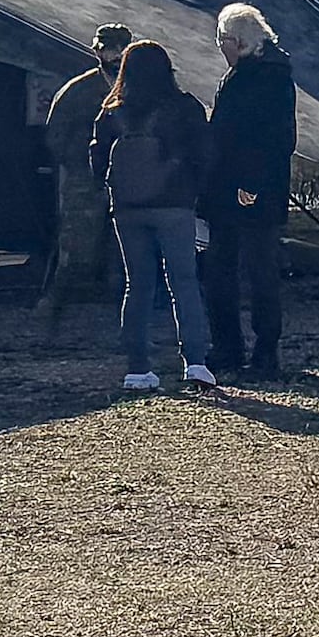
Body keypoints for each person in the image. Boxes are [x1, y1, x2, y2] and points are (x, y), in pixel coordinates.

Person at [92, 38, 222, 396]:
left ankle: (138, 369)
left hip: (128, 210)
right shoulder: (184, 107)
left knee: (138, 285)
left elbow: (96, 160)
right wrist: (193, 193)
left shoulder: (111, 111)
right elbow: (205, 155)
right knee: (184, 282)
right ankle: (195, 362)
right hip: (174, 205)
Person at [205, 2, 302, 383]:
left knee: (255, 272)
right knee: (227, 271)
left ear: (236, 42)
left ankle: (260, 350)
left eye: (222, 42)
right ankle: (234, 348)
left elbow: (274, 138)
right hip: (237, 190)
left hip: (248, 191)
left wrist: (251, 184)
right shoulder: (260, 73)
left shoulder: (264, 78)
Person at [39, 24, 131, 335]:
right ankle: (55, 308)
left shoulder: (139, 88)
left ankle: (120, 314)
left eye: (118, 48)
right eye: (107, 48)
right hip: (85, 180)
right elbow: (56, 136)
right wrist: (80, 164)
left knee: (125, 250)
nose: (113, 54)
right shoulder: (78, 91)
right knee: (76, 247)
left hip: (128, 180)